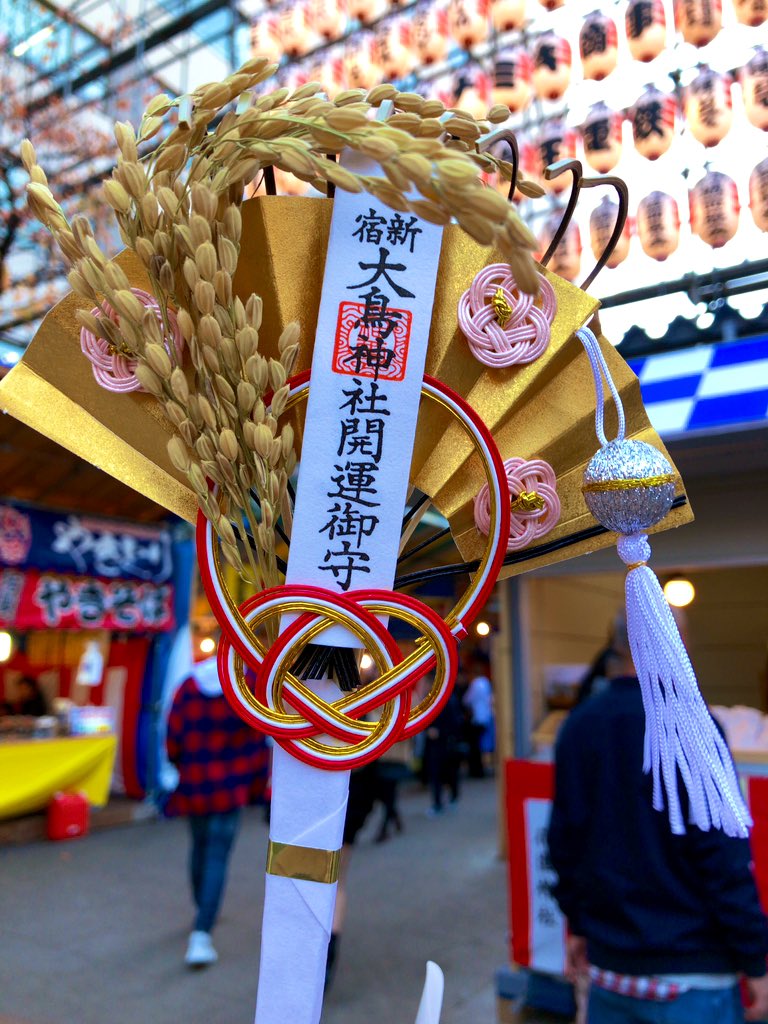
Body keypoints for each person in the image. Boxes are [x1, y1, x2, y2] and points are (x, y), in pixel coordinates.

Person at [548, 613, 768, 1024]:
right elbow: (724, 858)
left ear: (616, 644)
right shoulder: (694, 726)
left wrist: (578, 923)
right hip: (692, 975)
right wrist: (755, 960)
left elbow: (564, 843)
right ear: (677, 643)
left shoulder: (579, 725)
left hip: (610, 968)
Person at [166, 656, 268, 969]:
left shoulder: (188, 686)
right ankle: (202, 932)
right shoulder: (247, 686)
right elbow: (258, 738)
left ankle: (203, 909)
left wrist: (179, 766)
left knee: (198, 848)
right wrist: (257, 785)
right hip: (231, 787)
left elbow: (173, 739)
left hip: (195, 784)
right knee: (217, 856)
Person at [424, 690, 462, 815]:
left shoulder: (448, 700)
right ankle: (439, 802)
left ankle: (449, 798)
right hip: (436, 745)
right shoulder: (432, 699)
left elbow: (455, 723)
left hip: (445, 744)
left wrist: (440, 732)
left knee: (447, 773)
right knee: (438, 775)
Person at [462, 653, 493, 779]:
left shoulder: (475, 684)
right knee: (481, 745)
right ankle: (481, 768)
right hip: (486, 717)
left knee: (474, 747)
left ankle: (476, 770)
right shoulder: (486, 682)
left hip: (477, 718)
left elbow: (467, 700)